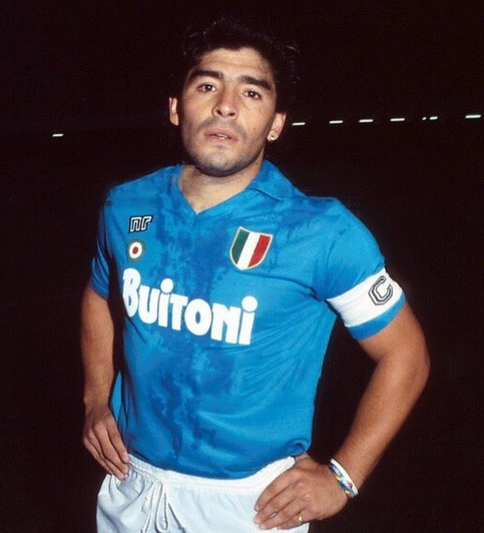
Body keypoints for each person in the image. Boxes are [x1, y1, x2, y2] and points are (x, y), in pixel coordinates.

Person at [81, 18, 430, 533]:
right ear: (176, 107)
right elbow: (99, 295)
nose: (226, 105)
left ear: (275, 123)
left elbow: (406, 355)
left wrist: (343, 477)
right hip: (130, 482)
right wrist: (95, 398)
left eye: (251, 92)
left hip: (250, 503)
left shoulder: (321, 231)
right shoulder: (126, 204)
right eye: (207, 85)